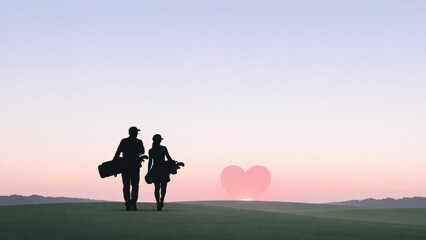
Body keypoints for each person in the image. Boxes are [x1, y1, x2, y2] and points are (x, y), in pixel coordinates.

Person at [114, 126, 145, 211]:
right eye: (136, 132)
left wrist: (114, 165)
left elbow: (118, 152)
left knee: (127, 186)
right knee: (134, 185)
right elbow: (142, 151)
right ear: (134, 133)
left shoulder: (124, 141)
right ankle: (132, 203)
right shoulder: (138, 142)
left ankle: (129, 203)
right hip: (133, 166)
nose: (137, 133)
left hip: (125, 166)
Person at [148, 134, 173, 211]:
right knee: (163, 187)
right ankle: (161, 201)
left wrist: (148, 171)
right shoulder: (163, 148)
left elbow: (150, 162)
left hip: (155, 169)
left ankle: (158, 202)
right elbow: (168, 157)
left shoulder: (151, 150)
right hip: (163, 169)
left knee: (157, 188)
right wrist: (172, 164)